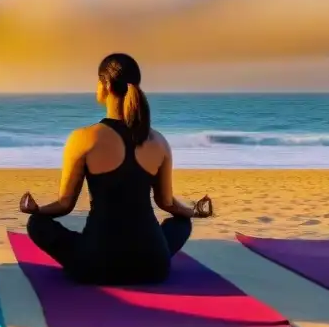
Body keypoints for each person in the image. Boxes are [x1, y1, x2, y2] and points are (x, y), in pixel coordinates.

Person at [19, 53, 213, 285]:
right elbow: (167, 203)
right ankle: (149, 251)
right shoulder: (159, 141)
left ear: (106, 85)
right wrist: (194, 212)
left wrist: (36, 211)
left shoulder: (84, 138)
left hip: (96, 265)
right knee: (180, 223)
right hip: (152, 266)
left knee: (37, 225)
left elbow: (64, 205)